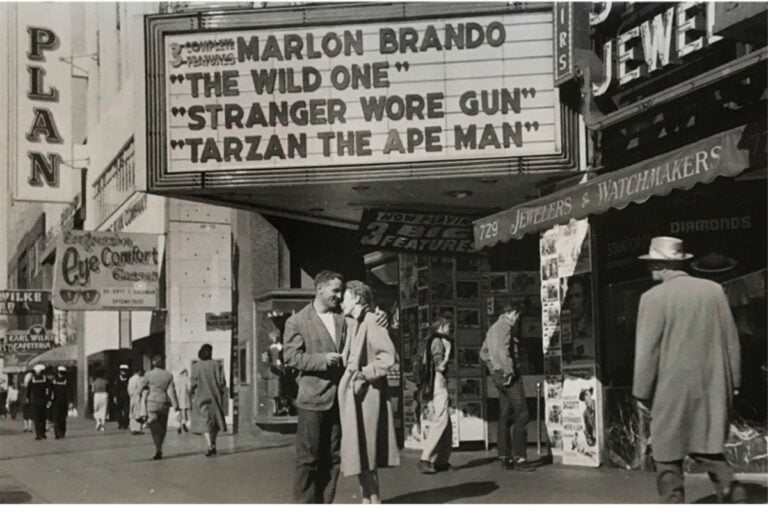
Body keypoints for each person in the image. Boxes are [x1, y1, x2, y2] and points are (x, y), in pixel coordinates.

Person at [633, 236, 746, 503]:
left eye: (652, 264)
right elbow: (732, 340)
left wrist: (641, 391)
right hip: (712, 386)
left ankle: (674, 501)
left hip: (671, 390)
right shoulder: (714, 290)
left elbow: (648, 351)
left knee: (667, 455)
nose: (650, 269)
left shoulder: (652, 298)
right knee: (707, 447)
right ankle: (735, 495)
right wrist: (735, 381)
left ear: (661, 265)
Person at [283, 270, 346, 504]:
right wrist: (322, 360)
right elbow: (291, 356)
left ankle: (325, 501)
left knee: (334, 456)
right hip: (312, 399)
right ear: (320, 289)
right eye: (335, 290)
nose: (339, 296)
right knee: (308, 458)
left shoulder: (342, 319)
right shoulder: (297, 321)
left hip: (338, 398)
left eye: (341, 291)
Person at [338, 280, 400, 504]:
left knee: (367, 450)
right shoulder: (352, 322)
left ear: (355, 297)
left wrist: (364, 373)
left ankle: (373, 499)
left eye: (343, 297)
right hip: (356, 396)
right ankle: (368, 498)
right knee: (360, 451)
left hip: (368, 396)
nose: (340, 301)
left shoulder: (372, 321)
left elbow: (387, 358)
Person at [480, 303, 535, 472]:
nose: (517, 319)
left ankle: (504, 455)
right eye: (517, 316)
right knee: (522, 412)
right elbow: (503, 350)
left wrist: (494, 369)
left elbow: (483, 353)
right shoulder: (505, 326)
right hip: (508, 376)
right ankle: (520, 457)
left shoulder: (492, 328)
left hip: (498, 376)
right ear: (512, 313)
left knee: (505, 413)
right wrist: (508, 371)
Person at [417, 316, 453, 474]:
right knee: (441, 419)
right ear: (443, 327)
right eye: (448, 327)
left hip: (431, 384)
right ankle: (425, 457)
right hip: (438, 382)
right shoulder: (439, 341)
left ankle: (442, 459)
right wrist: (448, 352)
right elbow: (440, 366)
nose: (450, 330)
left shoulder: (428, 340)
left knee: (447, 423)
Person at [190, 344, 227, 457]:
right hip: (215, 397)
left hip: (201, 396)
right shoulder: (217, 365)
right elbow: (222, 382)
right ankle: (213, 443)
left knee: (205, 421)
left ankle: (210, 445)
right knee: (214, 421)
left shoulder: (196, 366)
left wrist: (192, 393)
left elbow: (193, 383)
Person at [144, 355, 179, 460]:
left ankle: (157, 448)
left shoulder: (148, 374)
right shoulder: (168, 375)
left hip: (151, 401)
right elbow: (171, 391)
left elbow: (142, 387)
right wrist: (175, 404)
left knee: (154, 425)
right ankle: (159, 447)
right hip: (164, 401)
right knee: (163, 426)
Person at [27, 364, 51, 440]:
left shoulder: (32, 380)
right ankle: (43, 433)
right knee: (43, 417)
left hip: (35, 401)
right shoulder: (46, 379)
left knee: (37, 418)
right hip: (43, 401)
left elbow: (28, 391)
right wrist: (48, 398)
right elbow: (49, 390)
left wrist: (28, 399)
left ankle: (38, 434)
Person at [50, 366, 73, 439]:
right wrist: (70, 401)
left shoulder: (54, 380)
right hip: (64, 402)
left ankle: (56, 433)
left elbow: (51, 391)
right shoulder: (67, 381)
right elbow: (70, 392)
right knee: (63, 418)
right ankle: (62, 433)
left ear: (58, 372)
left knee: (56, 417)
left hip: (55, 402)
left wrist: (49, 400)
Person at [128, 368, 147, 435]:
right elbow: (140, 388)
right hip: (137, 396)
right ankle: (138, 429)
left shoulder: (131, 379)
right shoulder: (138, 379)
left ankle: (132, 428)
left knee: (132, 411)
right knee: (138, 412)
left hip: (132, 396)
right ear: (139, 371)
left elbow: (128, 389)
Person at [113, 365, 131, 430]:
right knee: (118, 411)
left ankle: (125, 423)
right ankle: (120, 423)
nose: (123, 372)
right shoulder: (117, 378)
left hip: (126, 397)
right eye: (122, 370)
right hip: (119, 397)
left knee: (126, 410)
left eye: (125, 370)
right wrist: (115, 396)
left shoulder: (129, 378)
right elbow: (115, 389)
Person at [176, 368, 191, 434]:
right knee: (185, 411)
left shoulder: (177, 379)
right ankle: (184, 423)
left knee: (179, 411)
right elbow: (189, 387)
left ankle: (179, 425)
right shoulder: (186, 379)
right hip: (185, 397)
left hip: (178, 398)